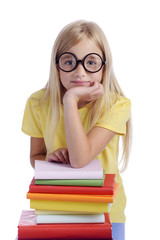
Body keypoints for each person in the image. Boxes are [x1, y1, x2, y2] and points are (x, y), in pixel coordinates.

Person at [22, 20, 131, 239]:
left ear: (104, 68)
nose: (80, 72)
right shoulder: (38, 103)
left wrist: (70, 100)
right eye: (69, 61)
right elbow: (35, 156)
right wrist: (48, 158)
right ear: (57, 66)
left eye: (91, 62)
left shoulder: (117, 105)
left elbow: (80, 159)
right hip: (57, 210)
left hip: (106, 214)